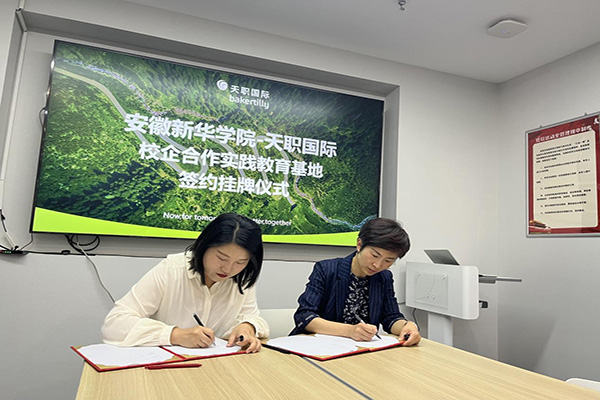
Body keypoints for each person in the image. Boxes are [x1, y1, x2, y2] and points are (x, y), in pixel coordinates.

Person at [102, 213, 269, 353]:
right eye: (221, 258)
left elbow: (252, 316)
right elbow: (115, 324)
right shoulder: (171, 270)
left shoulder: (241, 278)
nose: (228, 269)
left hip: (217, 366)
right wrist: (176, 335)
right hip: (167, 366)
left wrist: (247, 327)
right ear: (204, 246)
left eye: (240, 262)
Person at [291, 217, 421, 346]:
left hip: (359, 349)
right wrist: (350, 331)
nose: (377, 265)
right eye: (375, 255)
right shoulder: (326, 269)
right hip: (318, 346)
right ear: (359, 244)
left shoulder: (384, 277)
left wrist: (408, 326)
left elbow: (391, 317)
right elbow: (304, 316)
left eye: (388, 261)